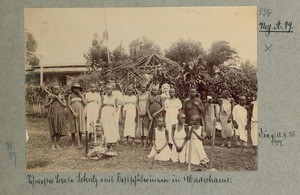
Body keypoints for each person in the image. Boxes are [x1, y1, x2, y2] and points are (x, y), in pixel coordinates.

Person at [45, 84, 67, 150]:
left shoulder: (61, 96)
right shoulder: (50, 96)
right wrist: (52, 101)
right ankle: (52, 145)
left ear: (59, 90)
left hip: (60, 113)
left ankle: (57, 144)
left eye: (57, 89)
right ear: (52, 90)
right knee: (53, 128)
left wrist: (58, 99)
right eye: (55, 89)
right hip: (52, 113)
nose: (56, 90)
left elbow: (65, 105)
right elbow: (45, 105)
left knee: (59, 128)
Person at [97, 84, 119, 150]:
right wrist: (99, 116)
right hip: (104, 113)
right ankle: (105, 144)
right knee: (105, 127)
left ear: (112, 90)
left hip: (111, 113)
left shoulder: (115, 97)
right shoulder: (103, 97)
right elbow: (100, 107)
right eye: (107, 89)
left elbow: (117, 107)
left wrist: (114, 111)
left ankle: (111, 144)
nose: (108, 90)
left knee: (111, 128)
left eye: (110, 89)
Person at [68, 83, 87, 149]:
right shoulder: (70, 96)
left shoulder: (82, 95)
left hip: (80, 112)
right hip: (73, 112)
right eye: (75, 88)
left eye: (78, 88)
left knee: (79, 127)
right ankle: (73, 143)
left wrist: (81, 95)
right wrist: (73, 112)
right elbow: (69, 105)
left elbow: (85, 103)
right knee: (73, 127)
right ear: (73, 89)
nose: (76, 89)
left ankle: (80, 142)